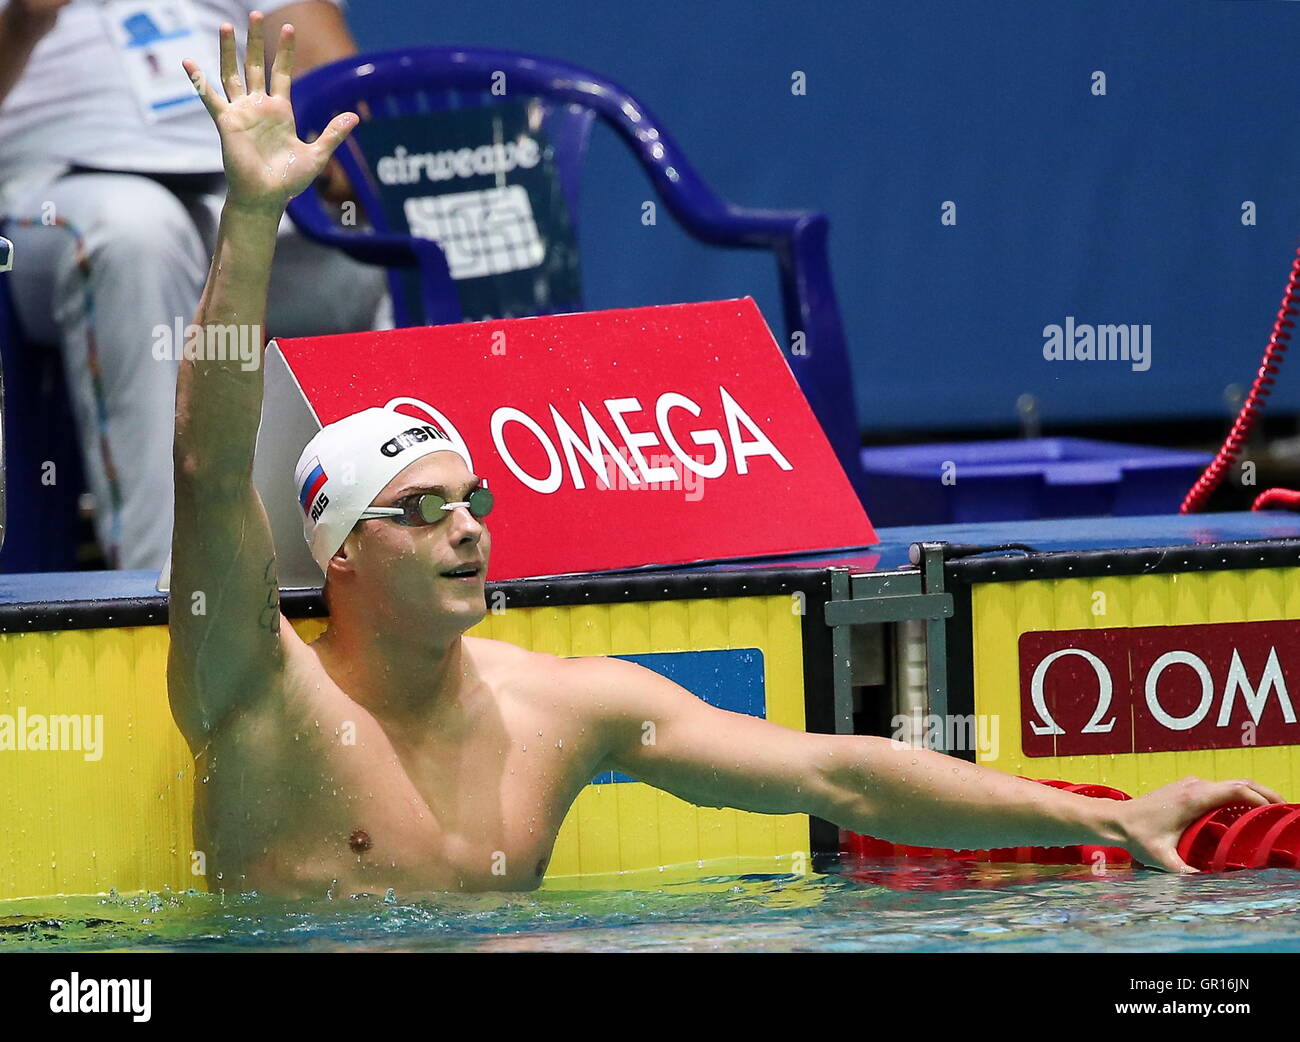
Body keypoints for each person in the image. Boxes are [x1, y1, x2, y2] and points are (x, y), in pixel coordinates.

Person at [168, 13, 1285, 897]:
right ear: (341, 553)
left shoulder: (560, 708)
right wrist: (254, 219)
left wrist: (1102, 816)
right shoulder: (257, 692)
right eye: (420, 509)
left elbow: (832, 771)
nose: (465, 525)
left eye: (474, 499)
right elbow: (209, 471)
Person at [0, 0, 384, 569]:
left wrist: (347, 160)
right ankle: (169, 594)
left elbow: (334, 70)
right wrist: (24, 21)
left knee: (367, 261)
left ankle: (380, 563)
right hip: (53, 187)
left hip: (237, 172)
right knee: (138, 233)